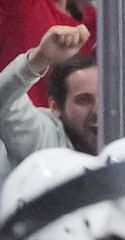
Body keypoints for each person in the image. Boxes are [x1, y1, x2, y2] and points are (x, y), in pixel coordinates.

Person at [0, 24, 93, 168]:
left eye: (105, 101)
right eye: (84, 100)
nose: (98, 111)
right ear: (55, 107)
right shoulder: (42, 139)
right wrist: (40, 58)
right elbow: (5, 102)